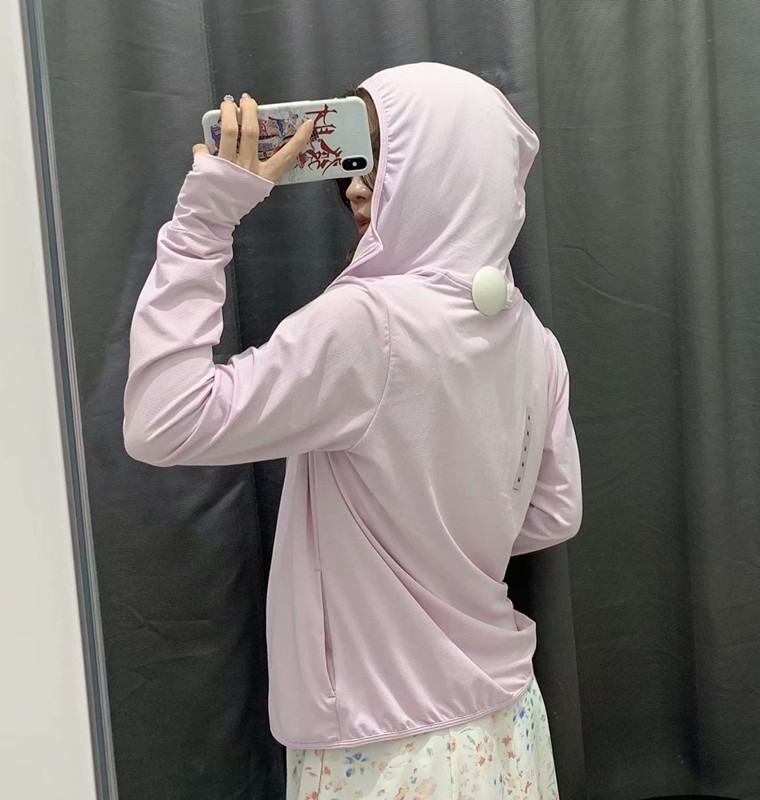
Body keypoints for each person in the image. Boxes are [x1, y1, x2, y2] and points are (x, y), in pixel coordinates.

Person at [123, 61, 582, 800]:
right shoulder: (533, 338)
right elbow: (554, 514)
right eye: (356, 157)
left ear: (447, 170)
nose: (357, 187)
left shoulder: (368, 326)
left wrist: (207, 218)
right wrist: (442, 538)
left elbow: (163, 419)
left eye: (385, 154)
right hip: (508, 723)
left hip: (386, 747)